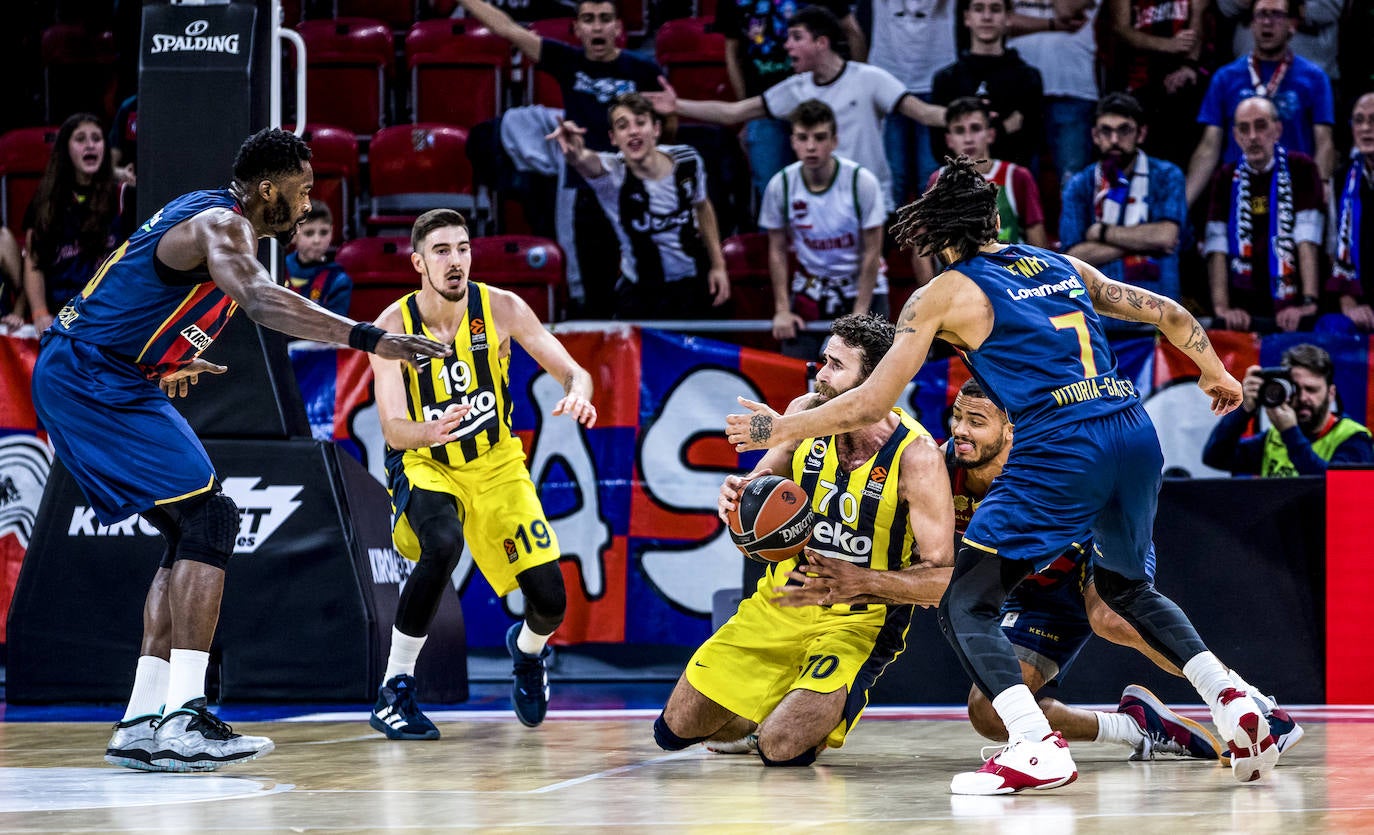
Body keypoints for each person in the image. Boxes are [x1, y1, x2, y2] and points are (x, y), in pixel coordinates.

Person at [725, 155, 1279, 793]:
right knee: (1127, 590)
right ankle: (1235, 702)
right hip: (1132, 428)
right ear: (993, 220)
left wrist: (780, 429)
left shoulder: (942, 292)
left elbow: (875, 402)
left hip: (1062, 440)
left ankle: (1035, 746)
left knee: (965, 599)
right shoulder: (1059, 265)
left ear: (936, 235)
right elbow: (1167, 313)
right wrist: (1214, 371)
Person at [31, 128, 449, 772]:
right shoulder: (224, 226)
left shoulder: (207, 218)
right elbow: (258, 300)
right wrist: (369, 337)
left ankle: (144, 720)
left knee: (185, 532)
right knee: (212, 519)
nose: (307, 205)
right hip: (91, 378)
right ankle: (185, 717)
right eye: (302, 189)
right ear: (265, 188)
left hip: (105, 373)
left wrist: (161, 362)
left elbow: (125, 298)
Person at [654, 313, 955, 766]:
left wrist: (861, 580)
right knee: (672, 732)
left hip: (859, 620)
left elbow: (943, 578)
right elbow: (762, 479)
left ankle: (801, 712)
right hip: (780, 600)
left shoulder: (918, 457)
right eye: (823, 361)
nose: (820, 373)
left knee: (780, 750)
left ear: (874, 382)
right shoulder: (804, 412)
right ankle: (779, 700)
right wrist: (737, 495)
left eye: (835, 365)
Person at [946, 378, 1302, 758]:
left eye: (976, 422)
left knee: (1111, 616)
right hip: (1033, 587)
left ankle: (1254, 706)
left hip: (1094, 549)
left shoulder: (1053, 458)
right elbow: (939, 567)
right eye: (956, 418)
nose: (960, 432)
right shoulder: (940, 469)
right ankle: (1136, 727)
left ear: (1012, 428)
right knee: (988, 714)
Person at [367, 208, 597, 738]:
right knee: (442, 543)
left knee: (550, 601)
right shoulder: (393, 327)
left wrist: (579, 393)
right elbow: (396, 429)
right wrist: (434, 431)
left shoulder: (502, 308)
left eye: (463, 248)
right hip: (426, 462)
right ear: (418, 262)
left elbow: (572, 370)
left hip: (496, 464)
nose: (456, 261)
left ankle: (526, 650)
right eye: (442, 251)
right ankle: (394, 688)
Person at [456, 0, 662, 316]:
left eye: (605, 19)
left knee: (642, 280)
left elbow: (666, 127)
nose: (597, 26)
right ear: (577, 28)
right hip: (581, 186)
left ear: (618, 28)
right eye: (589, 19)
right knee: (587, 290)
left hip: (631, 185)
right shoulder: (568, 61)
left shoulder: (643, 70)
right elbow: (507, 28)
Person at [645, 5, 945, 214]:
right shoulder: (794, 89)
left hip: (872, 207)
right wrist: (677, 105)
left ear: (821, 42)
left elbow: (925, 114)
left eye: (796, 38)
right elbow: (733, 113)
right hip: (821, 210)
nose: (787, 46)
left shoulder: (870, 78)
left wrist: (976, 115)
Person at [548, 93, 729, 320]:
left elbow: (702, 206)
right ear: (613, 139)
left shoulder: (688, 160)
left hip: (694, 283)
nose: (633, 131)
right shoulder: (612, 174)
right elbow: (586, 161)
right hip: (642, 292)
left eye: (640, 123)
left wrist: (718, 265)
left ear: (656, 129)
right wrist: (574, 154)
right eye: (623, 126)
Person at [759, 100, 887, 358]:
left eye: (819, 137)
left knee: (870, 378)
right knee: (794, 374)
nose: (811, 146)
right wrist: (782, 309)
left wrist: (860, 312)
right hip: (810, 290)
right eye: (802, 138)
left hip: (863, 289)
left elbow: (873, 251)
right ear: (792, 141)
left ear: (834, 140)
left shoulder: (861, 182)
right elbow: (777, 250)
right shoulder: (780, 185)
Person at [1185, 0, 1335, 207]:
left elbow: (1324, 142)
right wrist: (1183, 204)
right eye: (1261, 15)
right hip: (1239, 193)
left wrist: (1320, 185)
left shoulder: (1315, 78)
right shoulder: (1225, 77)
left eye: (1276, 15)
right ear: (1251, 23)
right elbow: (1209, 146)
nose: (1267, 22)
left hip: (1295, 193)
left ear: (1292, 24)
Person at [714, 0, 864, 199]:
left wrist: (854, 87)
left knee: (836, 189)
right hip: (766, 108)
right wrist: (748, 116)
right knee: (773, 192)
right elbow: (732, 53)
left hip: (823, 102)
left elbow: (852, 32)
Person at [1204, 97, 1324, 333]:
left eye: (1261, 126)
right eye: (1244, 128)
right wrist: (1223, 309)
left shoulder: (1302, 167)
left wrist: (1307, 304)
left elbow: (1307, 240)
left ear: (1277, 129)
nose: (1252, 136)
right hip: (1244, 304)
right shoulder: (1225, 176)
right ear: (1235, 136)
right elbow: (1216, 246)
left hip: (1293, 297)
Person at [1061, 93, 1187, 304]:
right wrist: (1144, 240)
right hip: (1100, 317)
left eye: (1124, 130)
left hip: (1159, 315)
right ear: (1095, 135)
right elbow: (1072, 260)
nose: (1114, 140)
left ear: (1141, 133)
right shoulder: (1079, 184)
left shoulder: (1167, 175)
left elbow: (1165, 236)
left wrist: (1101, 233)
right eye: (1106, 131)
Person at [913, 97, 1046, 287]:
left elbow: (1038, 242)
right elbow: (922, 244)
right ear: (949, 139)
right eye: (959, 131)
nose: (968, 138)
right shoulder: (938, 180)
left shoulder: (1017, 176)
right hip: (959, 287)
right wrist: (929, 292)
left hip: (1012, 284)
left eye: (975, 128)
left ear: (990, 134)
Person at [22, 112, 127, 335]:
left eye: (96, 139)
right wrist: (40, 313)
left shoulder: (123, 195)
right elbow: (33, 262)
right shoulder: (46, 200)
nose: (90, 145)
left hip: (108, 313)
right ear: (65, 149)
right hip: (61, 313)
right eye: (80, 139)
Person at [1202, 343, 1374, 476]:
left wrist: (1290, 433)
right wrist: (1244, 409)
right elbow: (1215, 456)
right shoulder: (1275, 439)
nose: (1303, 398)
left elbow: (1335, 489)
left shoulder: (1353, 438)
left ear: (1331, 393)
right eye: (1296, 389)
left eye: (1311, 389)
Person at [859, 0, 958, 206]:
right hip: (887, 78)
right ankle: (892, 236)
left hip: (935, 78)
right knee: (895, 176)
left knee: (929, 174)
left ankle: (933, 235)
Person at [930, 0, 1044, 168]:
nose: (987, 16)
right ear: (967, 18)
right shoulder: (946, 79)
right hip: (960, 181)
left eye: (995, 9)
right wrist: (1003, 128)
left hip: (1012, 179)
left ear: (1008, 18)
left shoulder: (1028, 78)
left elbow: (1030, 141)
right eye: (978, 8)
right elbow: (940, 146)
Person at [1105, 0, 1207, 167]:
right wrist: (1168, 45)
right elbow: (1120, 29)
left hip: (1181, 81)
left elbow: (1198, 16)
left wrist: (1189, 65)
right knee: (1141, 160)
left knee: (1182, 157)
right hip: (1140, 83)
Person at [1005, 0, 1100, 180]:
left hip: (1072, 89)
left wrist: (1039, 23)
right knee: (1019, 185)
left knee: (1071, 183)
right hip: (1018, 89)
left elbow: (1065, 9)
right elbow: (999, 20)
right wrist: (1053, 25)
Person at [1329, 92, 1374, 331]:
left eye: (1373, 120)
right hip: (1359, 301)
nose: (1366, 128)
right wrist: (1348, 301)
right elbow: (1333, 246)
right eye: (1359, 120)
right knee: (1332, 327)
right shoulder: (1341, 180)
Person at [285, 200, 352, 317]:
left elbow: (336, 327)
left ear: (332, 232)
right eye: (309, 233)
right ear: (293, 234)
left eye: (324, 232)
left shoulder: (338, 280)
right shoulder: (277, 268)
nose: (317, 240)